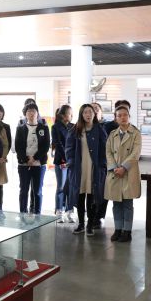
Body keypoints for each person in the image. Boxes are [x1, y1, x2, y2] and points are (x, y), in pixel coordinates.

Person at [66, 104, 107, 235]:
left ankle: (90, 225)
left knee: (92, 196)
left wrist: (102, 165)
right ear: (81, 115)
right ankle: (81, 224)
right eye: (85, 112)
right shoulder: (75, 129)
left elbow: (105, 149)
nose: (88, 114)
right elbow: (69, 149)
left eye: (90, 112)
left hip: (93, 168)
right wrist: (71, 162)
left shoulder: (99, 130)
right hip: (79, 168)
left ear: (94, 114)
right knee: (79, 195)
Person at [105, 105, 141, 243]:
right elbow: (108, 152)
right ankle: (118, 229)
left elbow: (135, 153)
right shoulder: (112, 134)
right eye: (119, 115)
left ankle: (127, 231)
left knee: (127, 203)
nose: (122, 117)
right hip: (115, 173)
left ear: (129, 116)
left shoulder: (135, 133)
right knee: (116, 204)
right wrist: (115, 167)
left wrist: (123, 168)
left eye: (125, 115)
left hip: (128, 172)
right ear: (116, 118)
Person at [15, 102, 50, 214]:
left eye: (33, 111)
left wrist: (35, 158)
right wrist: (26, 159)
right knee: (24, 190)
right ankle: (23, 214)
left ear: (37, 113)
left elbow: (46, 145)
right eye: (29, 111)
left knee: (37, 191)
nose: (31, 113)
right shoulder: (20, 128)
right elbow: (18, 146)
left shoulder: (44, 128)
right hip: (24, 164)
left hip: (39, 164)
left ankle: (37, 214)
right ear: (25, 114)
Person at [52, 105, 73, 222]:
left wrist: (71, 160)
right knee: (61, 186)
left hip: (72, 162)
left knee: (70, 187)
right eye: (69, 113)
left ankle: (69, 211)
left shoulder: (73, 126)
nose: (71, 115)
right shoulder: (56, 127)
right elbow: (58, 144)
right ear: (63, 115)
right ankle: (59, 210)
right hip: (61, 160)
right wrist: (66, 159)